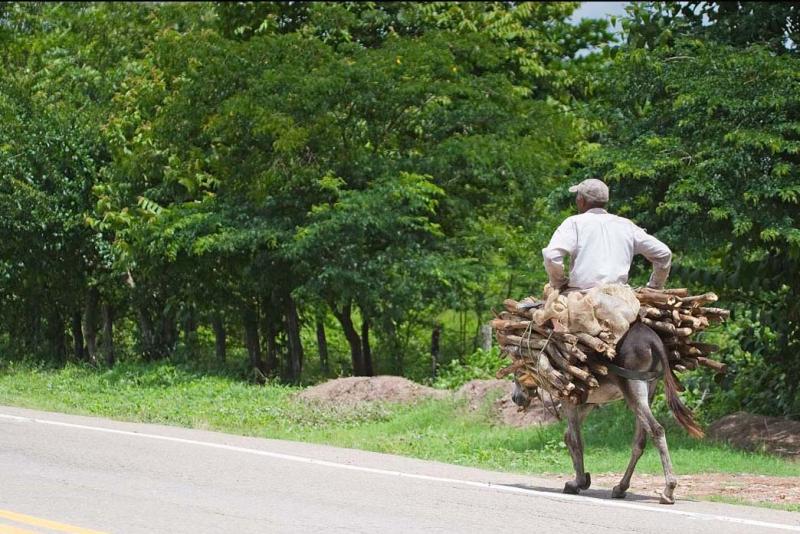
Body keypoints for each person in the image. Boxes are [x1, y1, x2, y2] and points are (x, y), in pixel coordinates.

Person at [542, 178, 672, 293]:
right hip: (619, 299)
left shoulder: (574, 223)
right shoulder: (626, 225)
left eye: (577, 196)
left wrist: (560, 282)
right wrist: (654, 288)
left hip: (582, 297)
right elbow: (664, 254)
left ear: (581, 201)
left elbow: (551, 256)